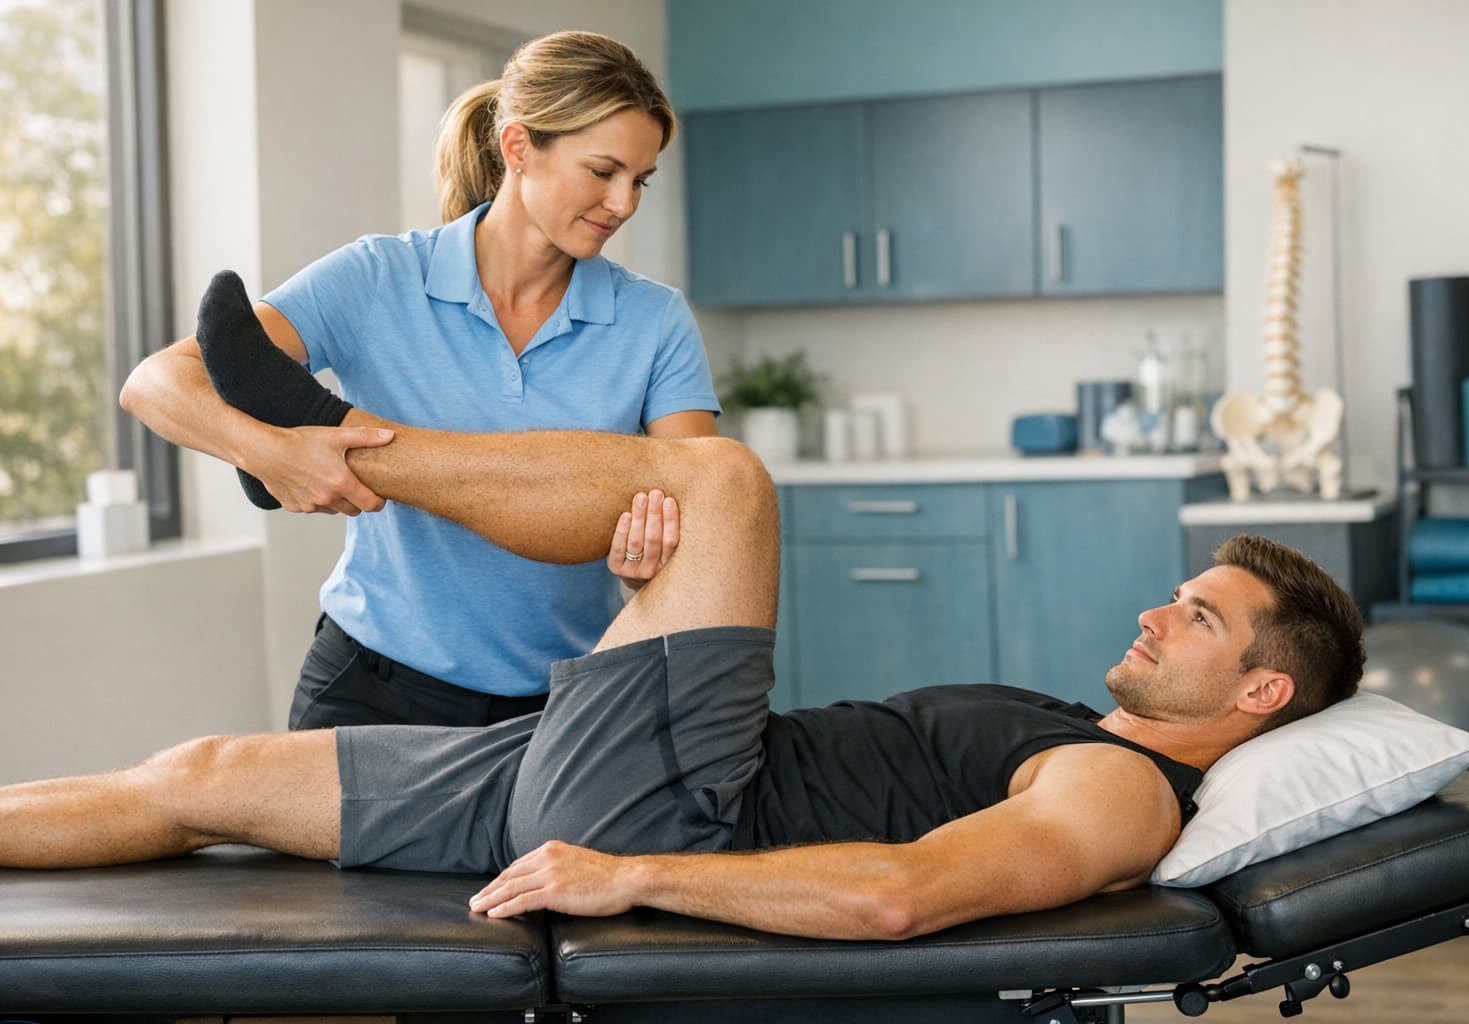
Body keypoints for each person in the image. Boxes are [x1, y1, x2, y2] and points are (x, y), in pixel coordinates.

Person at [0, 311, 1367, 942]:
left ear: (1257, 697)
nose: (1155, 608)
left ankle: (336, 443)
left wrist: (634, 878)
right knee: (194, 782)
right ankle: (326, 442)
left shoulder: (1123, 790)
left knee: (715, 478)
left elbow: (901, 896)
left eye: (1195, 617)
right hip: (633, 775)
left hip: (672, 813)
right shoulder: (1085, 732)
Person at [119, 31, 719, 731]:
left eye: (639, 180)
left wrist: (650, 565)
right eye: (603, 171)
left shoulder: (653, 320)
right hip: (374, 680)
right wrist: (270, 455)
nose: (624, 203)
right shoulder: (380, 278)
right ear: (519, 147)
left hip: (565, 700)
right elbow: (155, 380)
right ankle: (315, 424)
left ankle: (343, 430)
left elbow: (700, 498)